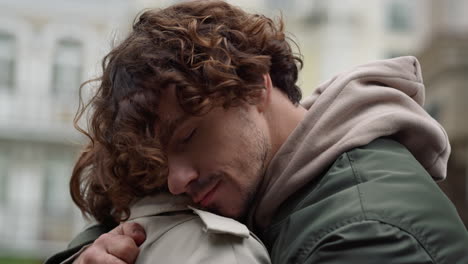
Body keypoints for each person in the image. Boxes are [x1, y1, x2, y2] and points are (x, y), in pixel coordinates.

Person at [46, 0, 468, 263]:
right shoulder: (267, 183)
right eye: (162, 160)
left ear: (255, 87)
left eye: (189, 137)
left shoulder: (364, 236)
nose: (177, 179)